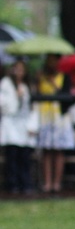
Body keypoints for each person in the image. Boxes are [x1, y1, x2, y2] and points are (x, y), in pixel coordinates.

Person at [35, 53, 75, 193]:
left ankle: (57, 183)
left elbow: (67, 96)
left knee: (59, 150)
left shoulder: (64, 77)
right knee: (46, 150)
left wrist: (54, 83)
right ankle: (47, 182)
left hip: (59, 117)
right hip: (44, 115)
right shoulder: (40, 76)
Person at [0, 59, 37, 193]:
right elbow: (3, 105)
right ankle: (12, 184)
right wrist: (15, 96)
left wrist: (33, 126)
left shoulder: (28, 85)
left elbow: (33, 107)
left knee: (25, 157)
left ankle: (25, 183)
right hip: (11, 124)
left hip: (24, 123)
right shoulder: (6, 83)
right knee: (12, 156)